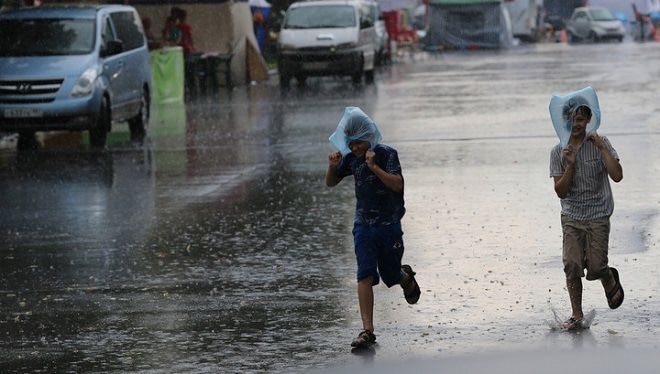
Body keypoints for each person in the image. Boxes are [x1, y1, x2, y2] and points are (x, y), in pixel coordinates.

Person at [325, 107, 421, 348]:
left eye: (359, 142)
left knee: (390, 275)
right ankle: (367, 330)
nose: (355, 147)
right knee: (365, 273)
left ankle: (405, 277)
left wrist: (375, 168)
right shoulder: (352, 159)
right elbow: (331, 182)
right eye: (351, 143)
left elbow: (397, 185)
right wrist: (332, 166)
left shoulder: (387, 154)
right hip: (363, 226)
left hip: (388, 226)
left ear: (370, 134)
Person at [548, 88, 624, 331]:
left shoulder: (601, 143)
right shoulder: (558, 151)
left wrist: (602, 146)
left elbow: (618, 175)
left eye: (580, 119)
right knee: (571, 264)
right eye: (571, 119)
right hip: (571, 215)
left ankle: (608, 277)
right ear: (564, 121)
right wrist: (569, 165)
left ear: (589, 119)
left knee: (596, 266)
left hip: (599, 214)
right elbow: (560, 191)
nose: (576, 124)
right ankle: (576, 314)